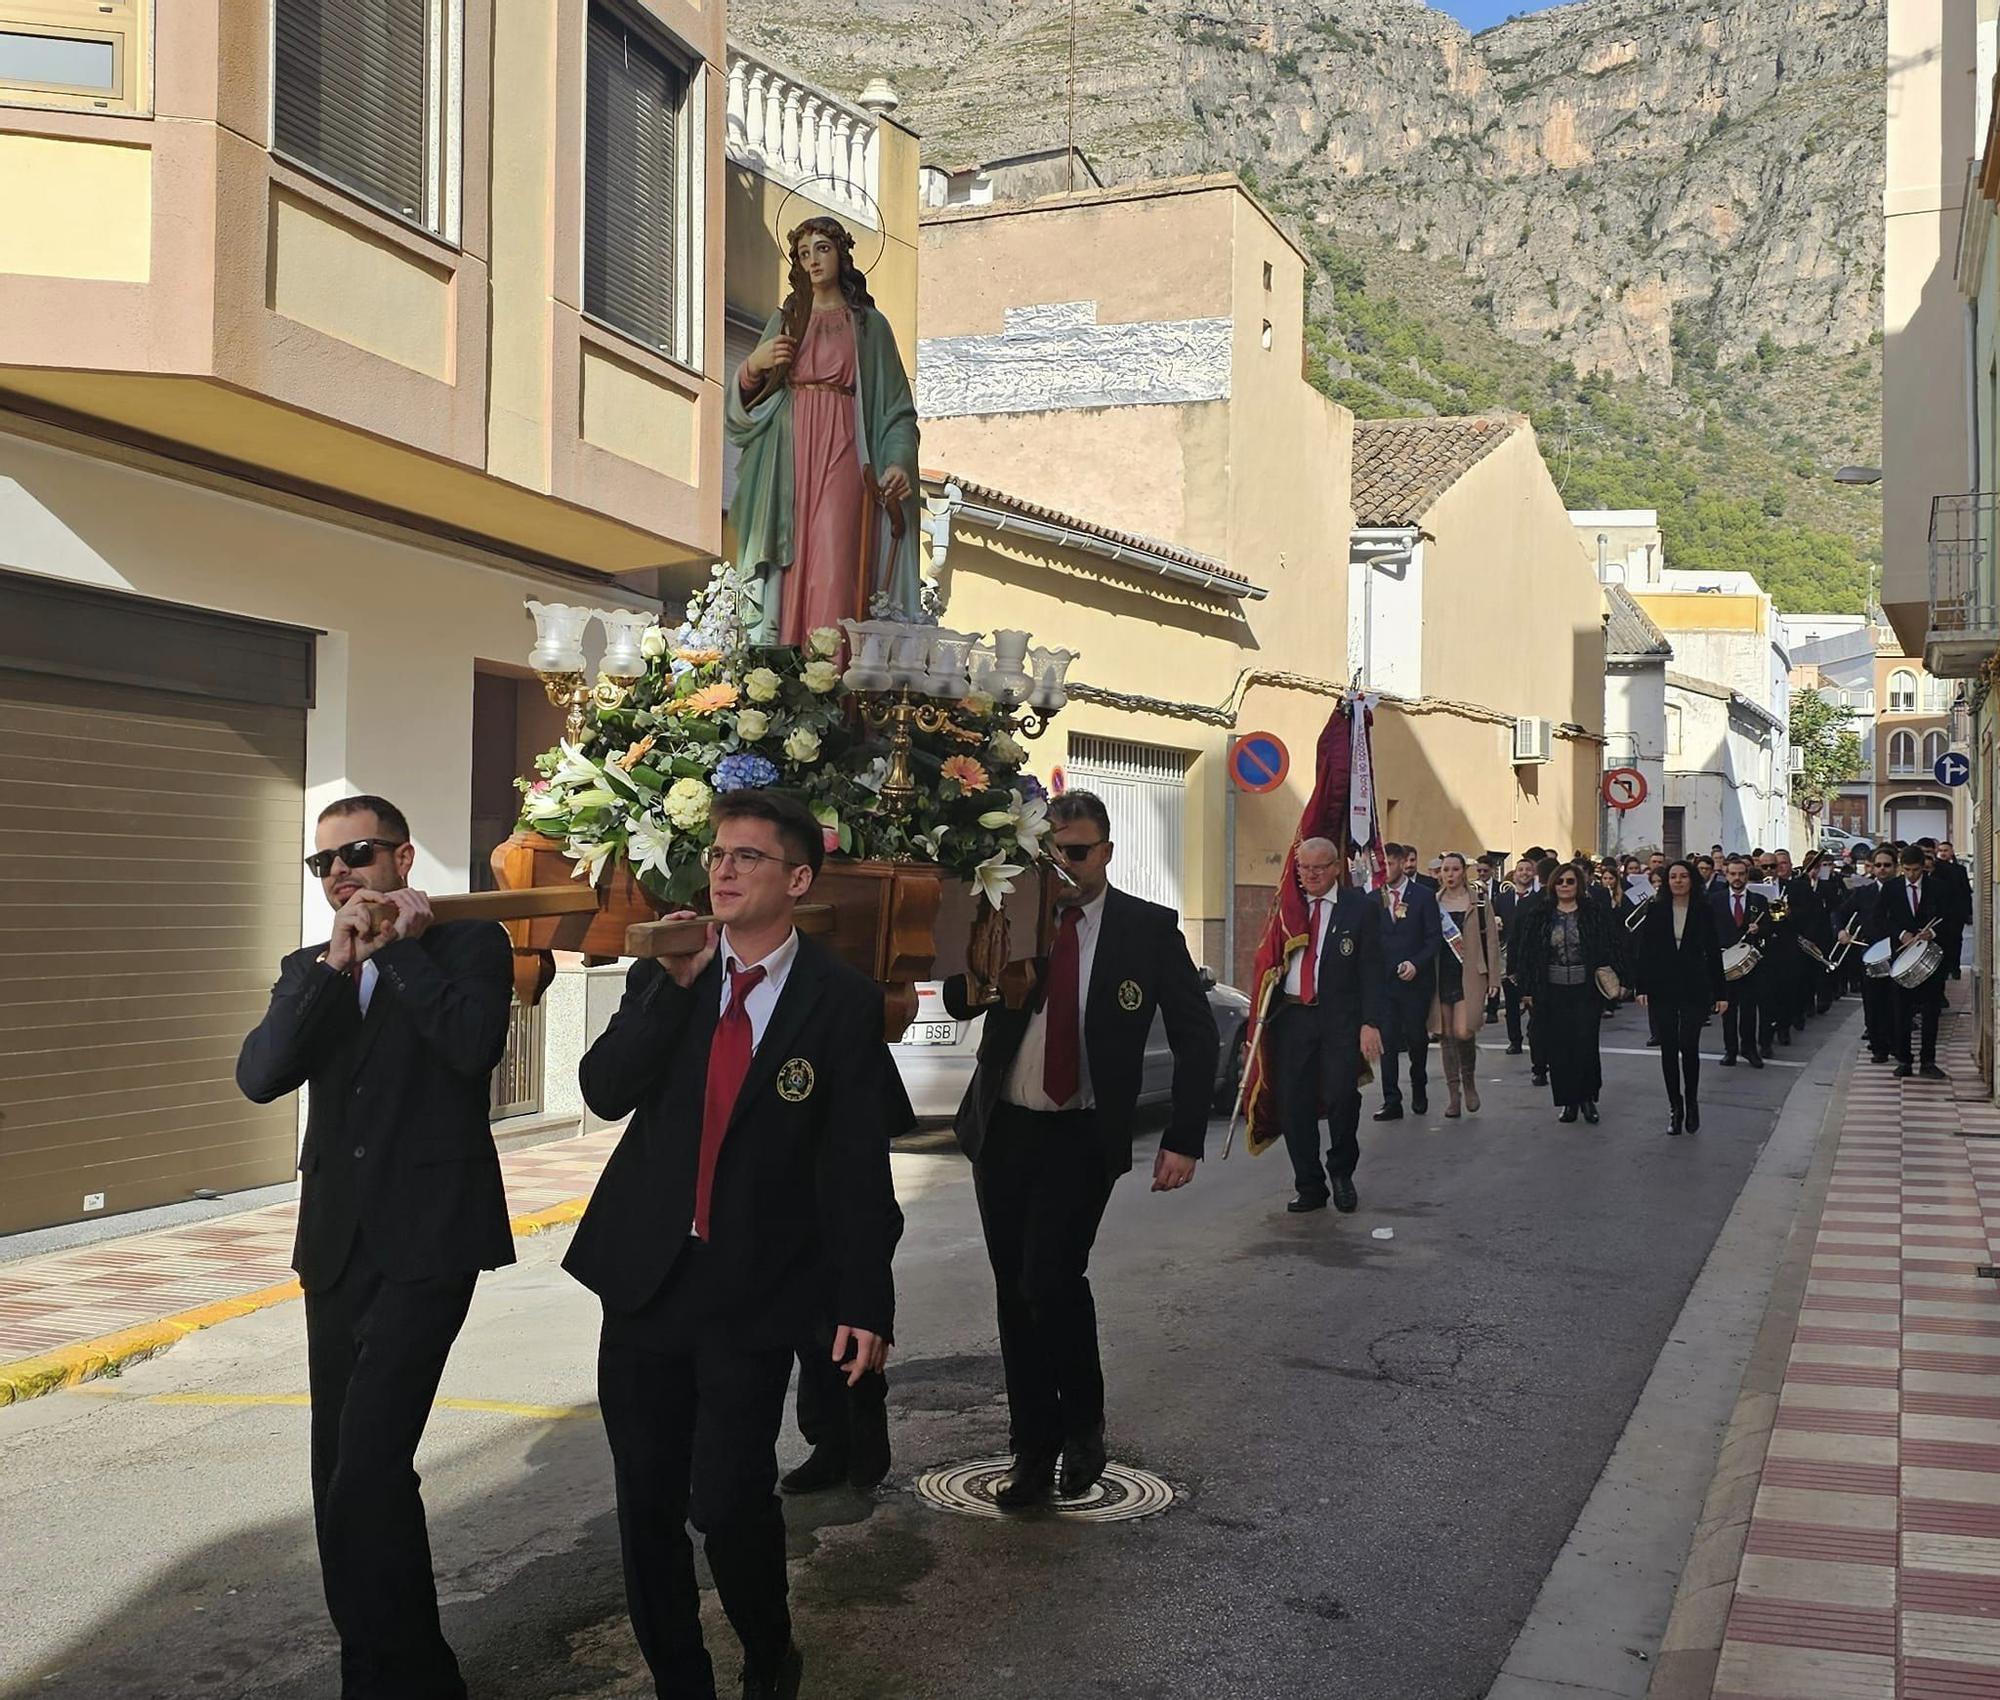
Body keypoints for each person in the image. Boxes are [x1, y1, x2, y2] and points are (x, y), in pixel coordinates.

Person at [564, 789, 905, 1700]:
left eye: (748, 857)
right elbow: (603, 1090)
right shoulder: (670, 971)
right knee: (645, 1502)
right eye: (718, 853)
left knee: (727, 1501)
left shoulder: (839, 1002)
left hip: (754, 1290)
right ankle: (682, 1678)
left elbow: (856, 1170)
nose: (723, 868)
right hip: (646, 1282)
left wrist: (866, 1303)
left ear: (796, 879)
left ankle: (768, 1651)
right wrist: (669, 997)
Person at [236, 796, 515, 1700]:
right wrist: (333, 965)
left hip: (432, 1237)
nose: (339, 874)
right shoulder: (310, 966)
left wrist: (398, 955)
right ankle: (380, 1672)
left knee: (367, 1465)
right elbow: (261, 1074)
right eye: (323, 865)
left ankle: (417, 1678)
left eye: (355, 854)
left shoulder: (466, 948)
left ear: (401, 857)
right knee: (340, 1478)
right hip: (336, 1245)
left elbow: (472, 1049)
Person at [942, 790, 1217, 1507]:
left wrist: (1184, 1138)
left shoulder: (1147, 930)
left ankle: (1083, 1422)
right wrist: (984, 960)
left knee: (1050, 1278)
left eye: (1075, 853)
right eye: (1049, 853)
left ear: (1105, 854)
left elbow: (1197, 1035)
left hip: (1082, 1131)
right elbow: (956, 999)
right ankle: (1032, 1447)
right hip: (1004, 1126)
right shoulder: (1007, 910)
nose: (1062, 867)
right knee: (1013, 1289)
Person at [727, 216, 921, 644]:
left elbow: (898, 411)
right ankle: (784, 669)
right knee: (788, 562)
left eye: (822, 249)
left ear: (842, 255)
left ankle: (830, 679)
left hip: (845, 448)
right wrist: (753, 365)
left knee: (834, 561)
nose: (812, 261)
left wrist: (898, 462)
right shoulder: (786, 321)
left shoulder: (869, 326)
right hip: (787, 454)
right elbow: (741, 409)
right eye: (803, 253)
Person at [1269, 837, 1386, 1213]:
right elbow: (1266, 962)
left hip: (1339, 1017)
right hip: (1292, 1016)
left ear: (1336, 868)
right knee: (1293, 1103)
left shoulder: (1360, 909)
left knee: (1342, 1096)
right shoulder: (1287, 907)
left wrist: (1370, 1023)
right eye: (1304, 868)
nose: (1311, 875)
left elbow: (1372, 970)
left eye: (1319, 867)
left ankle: (1341, 1172)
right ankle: (1309, 1185)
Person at [1514, 863, 1613, 1123]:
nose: (1566, 886)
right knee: (1560, 1048)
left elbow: (1610, 946)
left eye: (1571, 881)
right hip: (1552, 990)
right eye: (1561, 882)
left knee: (1586, 1044)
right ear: (1553, 885)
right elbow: (1527, 953)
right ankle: (1568, 1101)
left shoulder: (1593, 912)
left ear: (1579, 884)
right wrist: (1527, 989)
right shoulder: (1541, 914)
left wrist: (1619, 978)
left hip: (1586, 989)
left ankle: (1588, 1098)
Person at [1635, 860, 1729, 1136]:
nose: (1678, 881)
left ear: (1692, 880)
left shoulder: (1704, 910)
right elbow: (1646, 950)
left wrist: (1720, 993)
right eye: (1673, 877)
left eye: (1683, 876)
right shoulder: (1656, 909)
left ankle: (1692, 1101)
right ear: (1667, 881)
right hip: (1663, 986)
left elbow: (1714, 952)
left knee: (1689, 1045)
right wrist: (1641, 986)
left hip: (1694, 986)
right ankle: (1674, 1107)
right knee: (1668, 1048)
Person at [1373, 842, 1443, 1121]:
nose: (1386, 869)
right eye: (1382, 864)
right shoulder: (1372, 897)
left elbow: (1433, 938)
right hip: (1385, 983)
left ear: (1402, 863)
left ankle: (1419, 1086)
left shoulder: (1423, 896)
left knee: (1416, 1038)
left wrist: (1416, 963)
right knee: (1387, 1042)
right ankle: (1391, 1099)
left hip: (1415, 981)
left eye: (1390, 863)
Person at [1430, 852, 1501, 1118]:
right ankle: (1453, 1096)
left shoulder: (1480, 902)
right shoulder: (1433, 903)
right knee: (1446, 1035)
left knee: (1464, 1031)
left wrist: (1494, 977)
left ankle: (1469, 1082)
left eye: (1454, 869)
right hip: (1441, 974)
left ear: (1464, 872)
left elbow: (1492, 942)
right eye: (1445, 870)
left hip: (1470, 974)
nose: (1449, 874)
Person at [1877, 843, 1950, 1080]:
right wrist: (1901, 934)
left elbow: (1951, 918)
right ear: (1901, 868)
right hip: (1902, 957)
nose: (1911, 875)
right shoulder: (1891, 889)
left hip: (1931, 958)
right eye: (1907, 870)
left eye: (1916, 870)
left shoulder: (1938, 888)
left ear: (1924, 868)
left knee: (1930, 1011)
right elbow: (1880, 919)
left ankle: (1928, 1061)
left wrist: (1933, 934)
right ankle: (1904, 1060)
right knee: (1901, 1011)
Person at [1837, 847, 1899, 1063]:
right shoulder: (1864, 893)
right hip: (1870, 952)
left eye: (1887, 865)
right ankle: (1879, 1046)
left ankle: (1897, 1044)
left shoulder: (1903, 891)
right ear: (1872, 867)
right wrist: (1842, 930)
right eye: (1879, 865)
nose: (1882, 869)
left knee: (1897, 1001)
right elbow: (1842, 912)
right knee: (1873, 1001)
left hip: (1898, 952)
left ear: (1895, 867)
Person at [1708, 855, 1770, 1070]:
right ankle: (1730, 1050)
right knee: (1727, 1008)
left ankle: (1750, 1049)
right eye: (1732, 874)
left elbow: (1770, 928)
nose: (1736, 878)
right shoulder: (1715, 899)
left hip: (1750, 964)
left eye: (1741, 874)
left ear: (1747, 875)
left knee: (1749, 1009)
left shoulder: (1758, 900)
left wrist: (1759, 929)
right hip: (1724, 962)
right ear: (1726, 875)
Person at [1493, 861, 1535, 1054]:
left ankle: (1534, 1034)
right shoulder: (1502, 898)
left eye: (1528, 870)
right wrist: (1496, 921)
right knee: (1511, 1002)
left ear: (1533, 873)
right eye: (1520, 870)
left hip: (1530, 957)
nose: (1524, 873)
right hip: (1507, 956)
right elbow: (1492, 920)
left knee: (1533, 1000)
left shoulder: (1539, 898)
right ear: (1514, 874)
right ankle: (1514, 1040)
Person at [1934, 839, 1973, 982]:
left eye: (1946, 850)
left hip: (1956, 913)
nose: (1943, 853)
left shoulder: (1959, 870)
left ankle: (1955, 968)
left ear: (1951, 852)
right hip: (1941, 913)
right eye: (1941, 851)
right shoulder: (1935, 869)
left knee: (1956, 940)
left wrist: (1969, 913)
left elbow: (1965, 892)